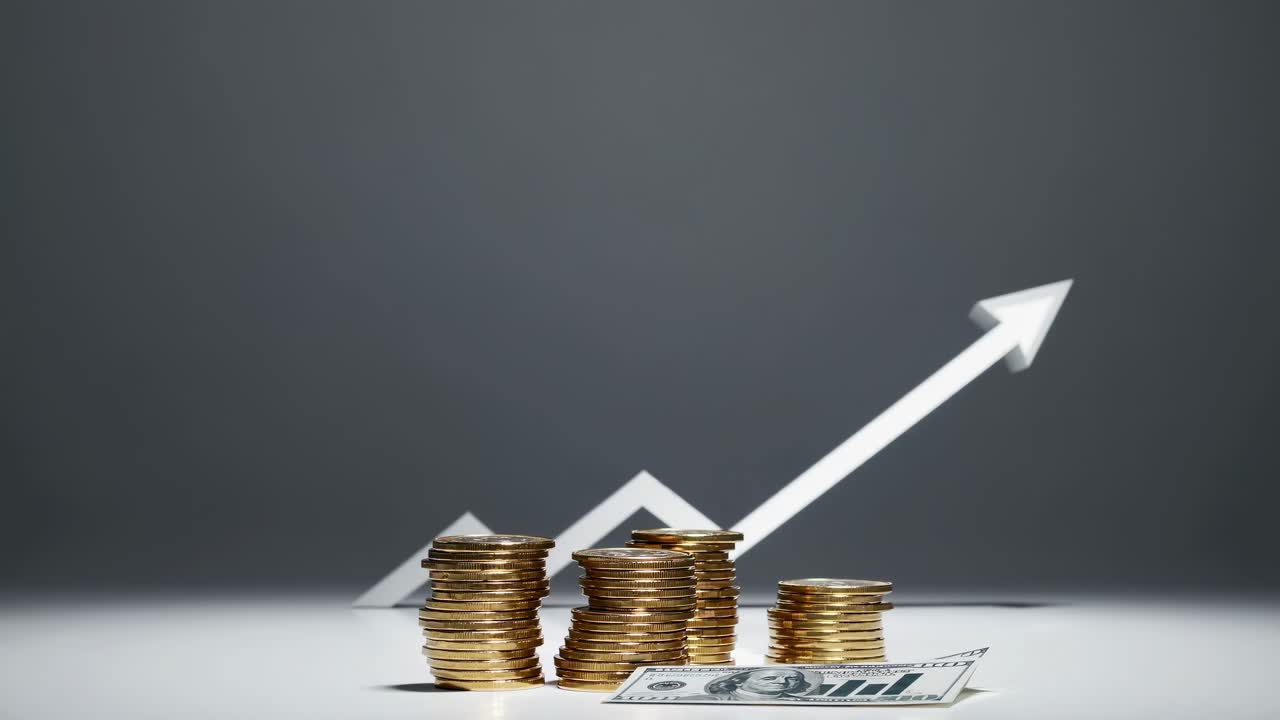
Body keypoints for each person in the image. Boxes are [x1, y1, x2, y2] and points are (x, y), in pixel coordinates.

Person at [684, 667, 820, 701]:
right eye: (769, 678)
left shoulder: (800, 702)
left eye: (793, 679)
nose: (782, 682)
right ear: (739, 681)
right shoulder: (706, 699)